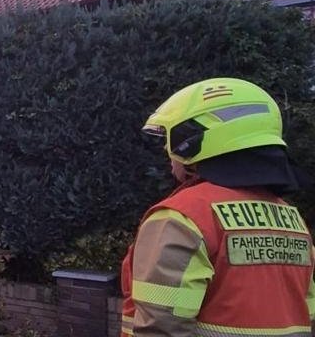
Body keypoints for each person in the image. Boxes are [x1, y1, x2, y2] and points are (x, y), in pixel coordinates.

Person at [122, 78, 315, 336]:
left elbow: (161, 326)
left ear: (192, 141)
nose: (167, 152)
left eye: (170, 140)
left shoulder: (183, 216)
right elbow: (305, 313)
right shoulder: (293, 221)